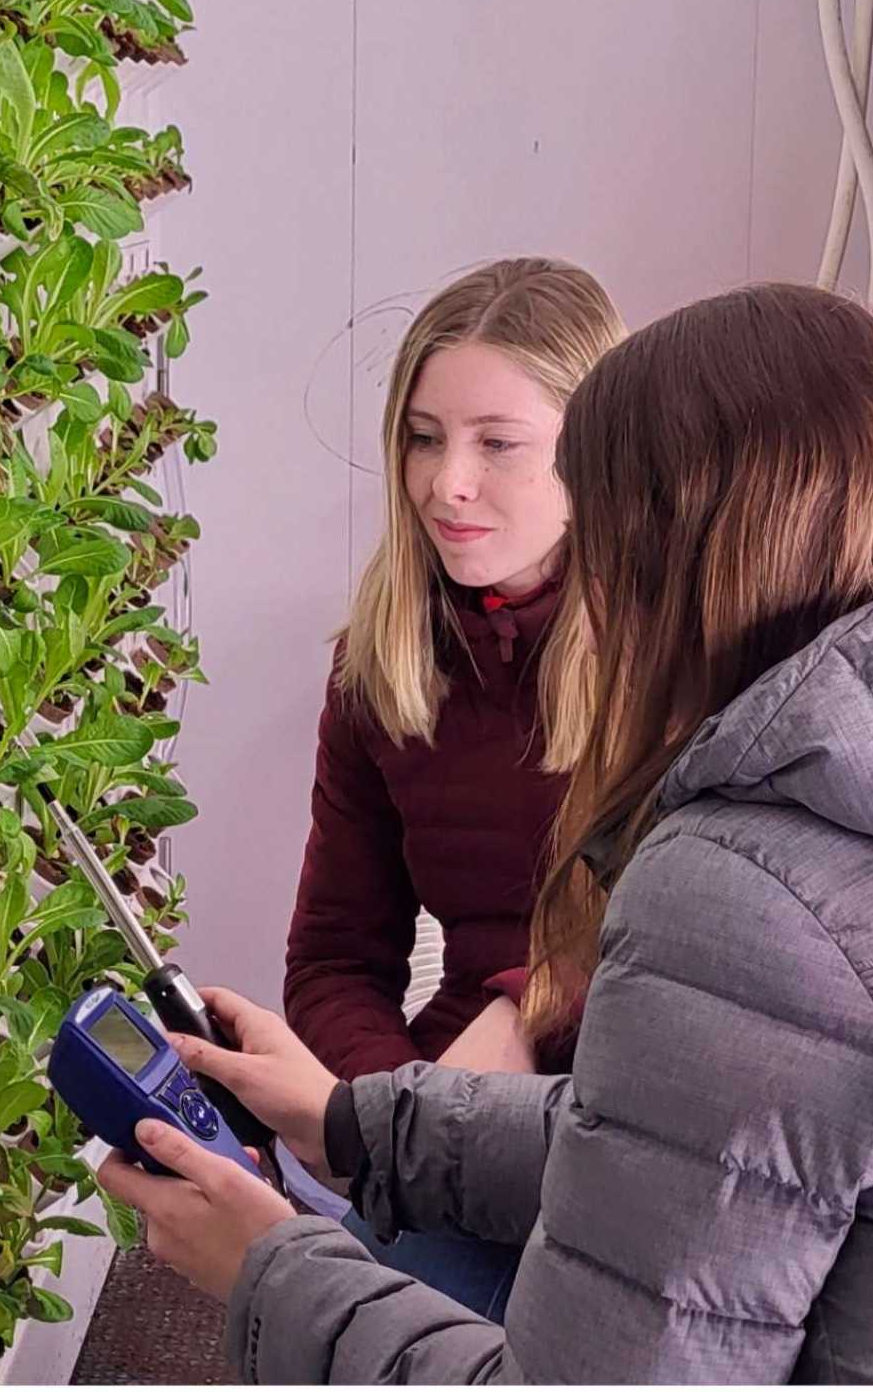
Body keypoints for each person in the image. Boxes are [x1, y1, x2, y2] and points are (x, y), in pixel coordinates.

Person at [102, 283, 873, 1383]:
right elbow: (718, 1156)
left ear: (658, 547)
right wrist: (357, 1122)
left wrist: (270, 1267)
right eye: (423, 438)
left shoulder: (758, 886)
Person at [278, 256, 624, 1321]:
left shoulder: (683, 659)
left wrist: (530, 1013)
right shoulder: (380, 668)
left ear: (599, 454)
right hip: (458, 1114)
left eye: (497, 444)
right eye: (423, 438)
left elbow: (737, 959)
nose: (446, 482)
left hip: (640, 1120)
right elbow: (335, 959)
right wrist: (392, 1120)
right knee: (320, 1327)